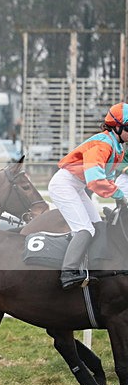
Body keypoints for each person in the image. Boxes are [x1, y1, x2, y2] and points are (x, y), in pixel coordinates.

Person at [49, 102, 128, 290]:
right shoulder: (102, 144)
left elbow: (107, 177)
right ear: (117, 126)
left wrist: (118, 198)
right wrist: (119, 195)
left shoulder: (117, 147)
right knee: (85, 230)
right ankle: (68, 273)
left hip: (76, 186)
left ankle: (93, 267)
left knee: (97, 226)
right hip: (64, 185)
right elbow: (95, 180)